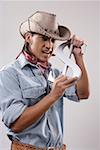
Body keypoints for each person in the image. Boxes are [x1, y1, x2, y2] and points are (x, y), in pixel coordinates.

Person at [0, 11, 89, 150]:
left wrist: (78, 56)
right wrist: (53, 95)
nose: (49, 45)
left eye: (52, 40)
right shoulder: (9, 73)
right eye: (43, 38)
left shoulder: (55, 73)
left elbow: (83, 93)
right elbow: (16, 125)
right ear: (28, 37)